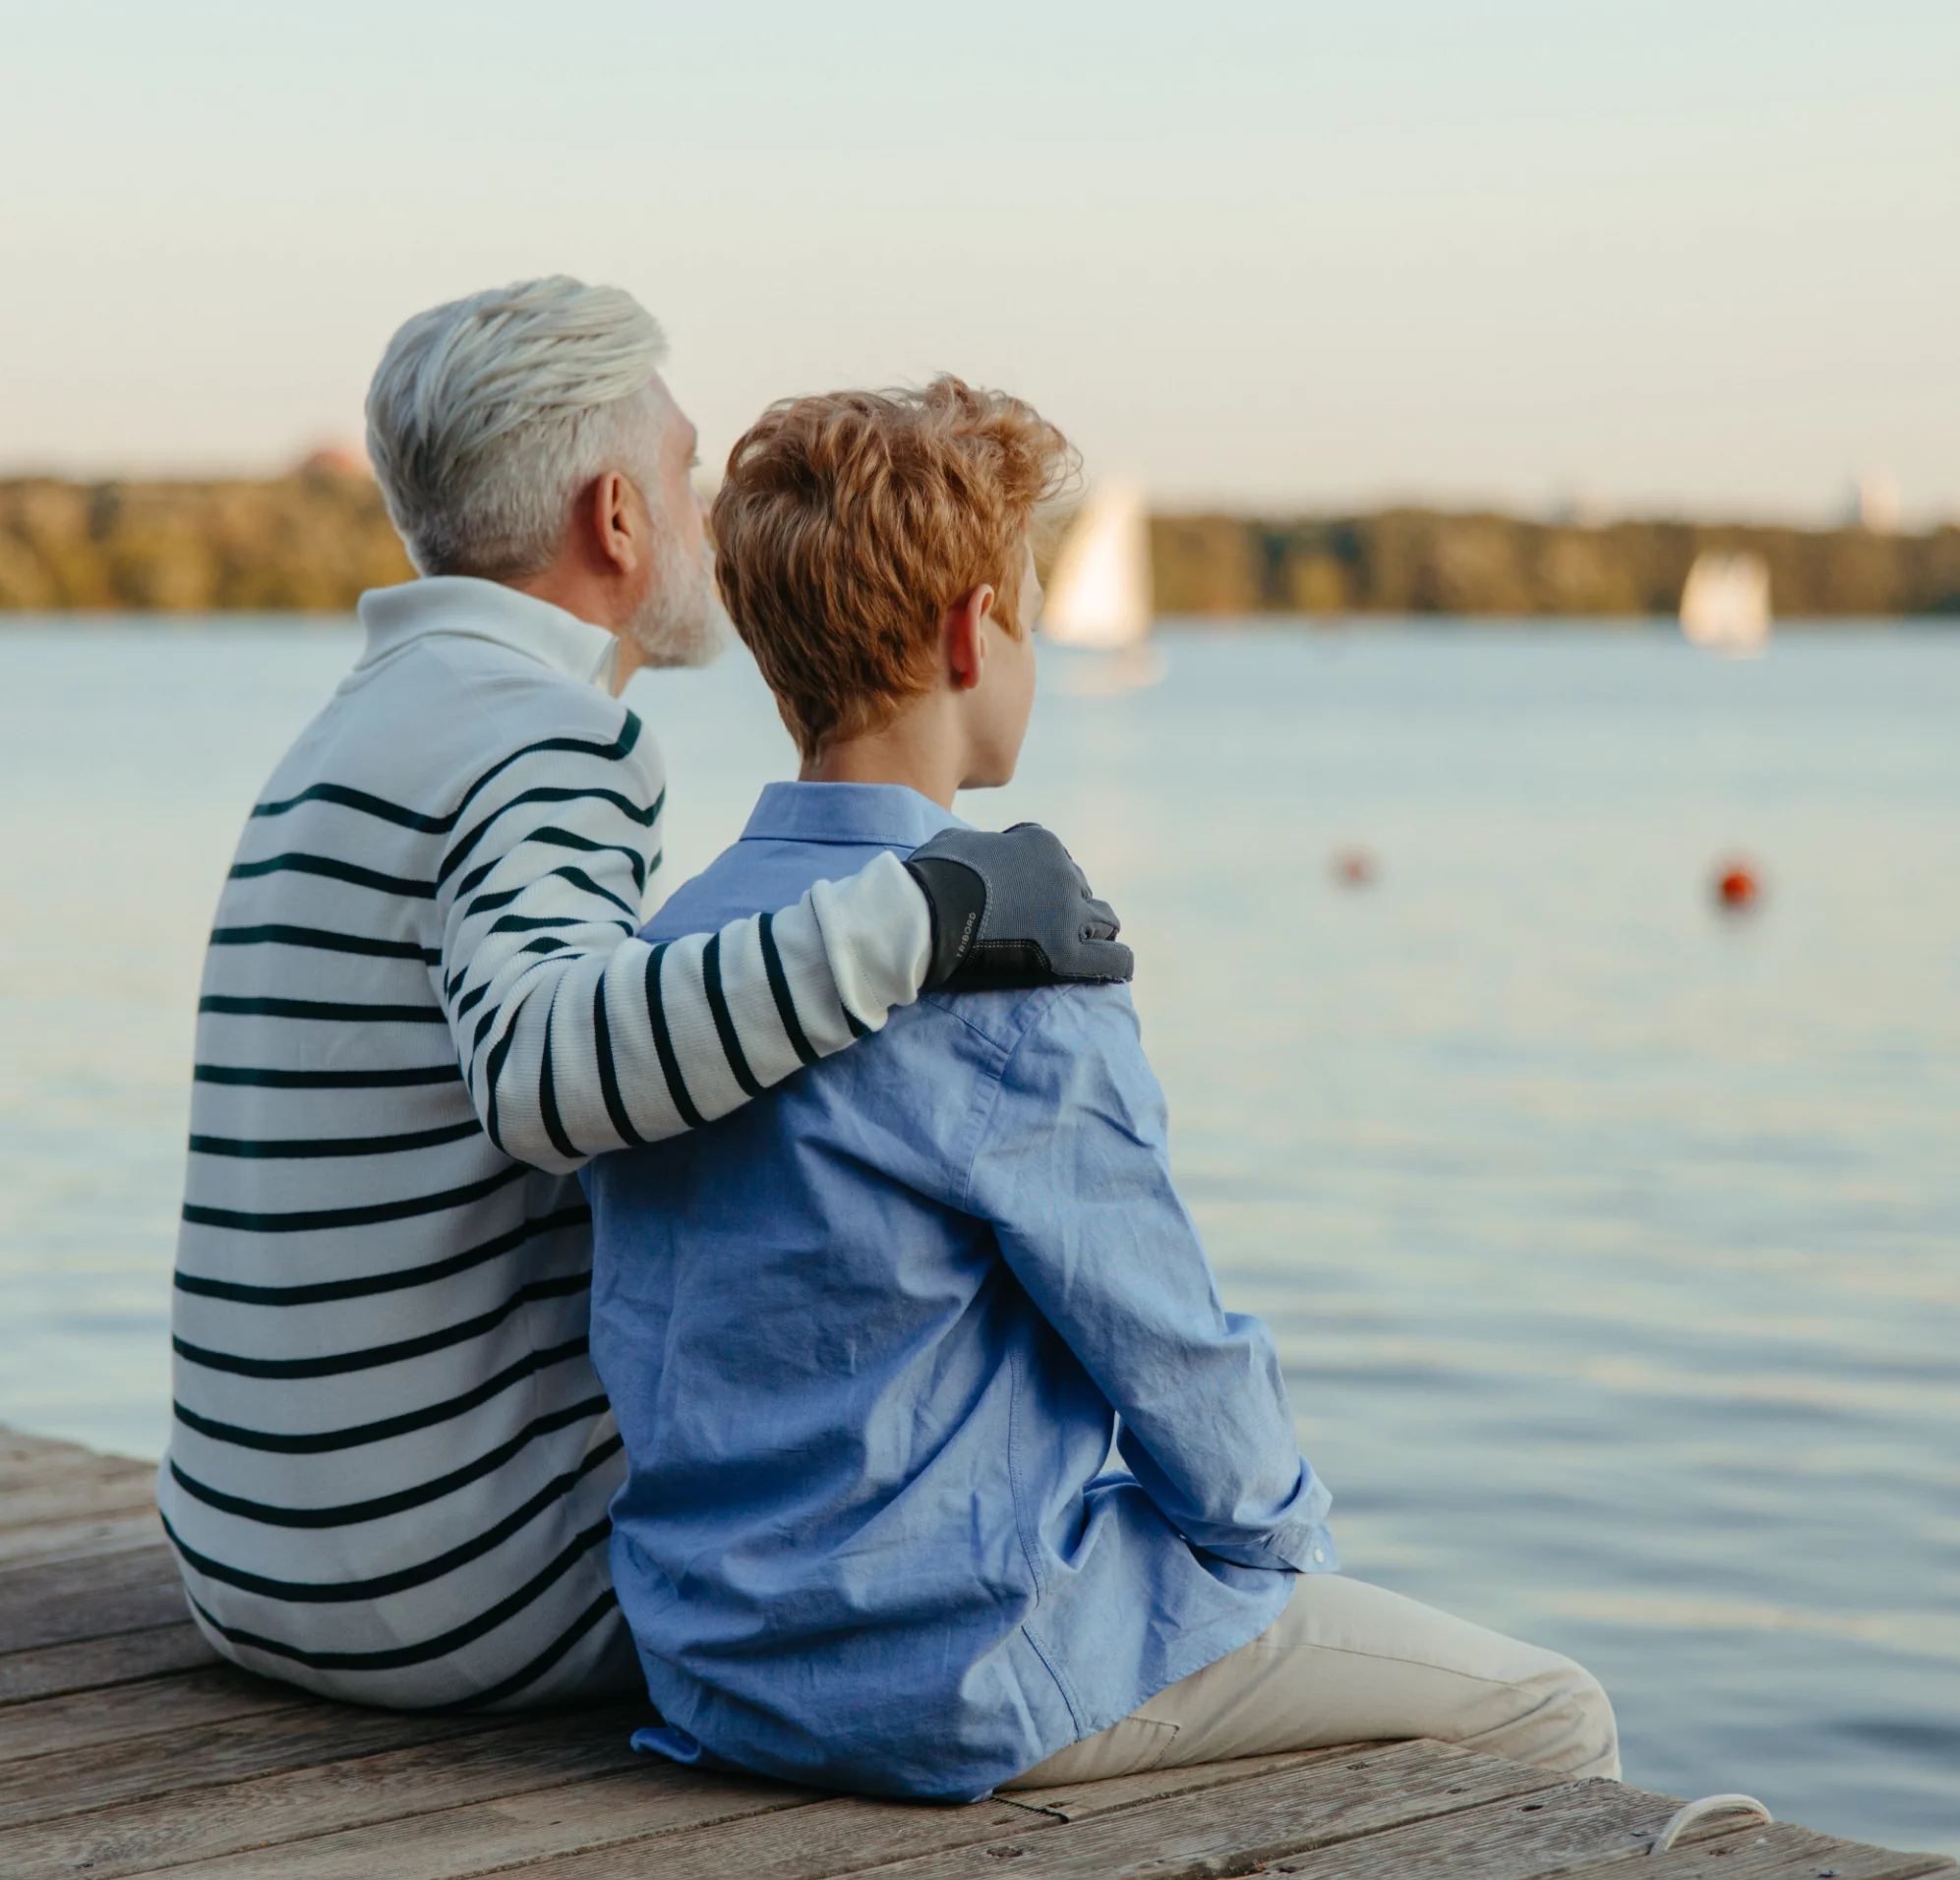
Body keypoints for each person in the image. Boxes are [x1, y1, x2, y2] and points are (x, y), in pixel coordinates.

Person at [586, 378, 1620, 1801]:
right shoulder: (1011, 972)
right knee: (1552, 1711)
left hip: (714, 1665)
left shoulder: (666, 959)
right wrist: (1280, 1565)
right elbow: (1174, 1358)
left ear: (776, 661)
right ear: (973, 632)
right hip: (960, 1672)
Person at [161, 279, 1130, 1713]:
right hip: (468, 1598)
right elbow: (550, 1075)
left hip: (249, 1565)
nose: (703, 514)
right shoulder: (548, 736)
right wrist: (931, 912)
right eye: (682, 473)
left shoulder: (353, 728)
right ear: (616, 520)